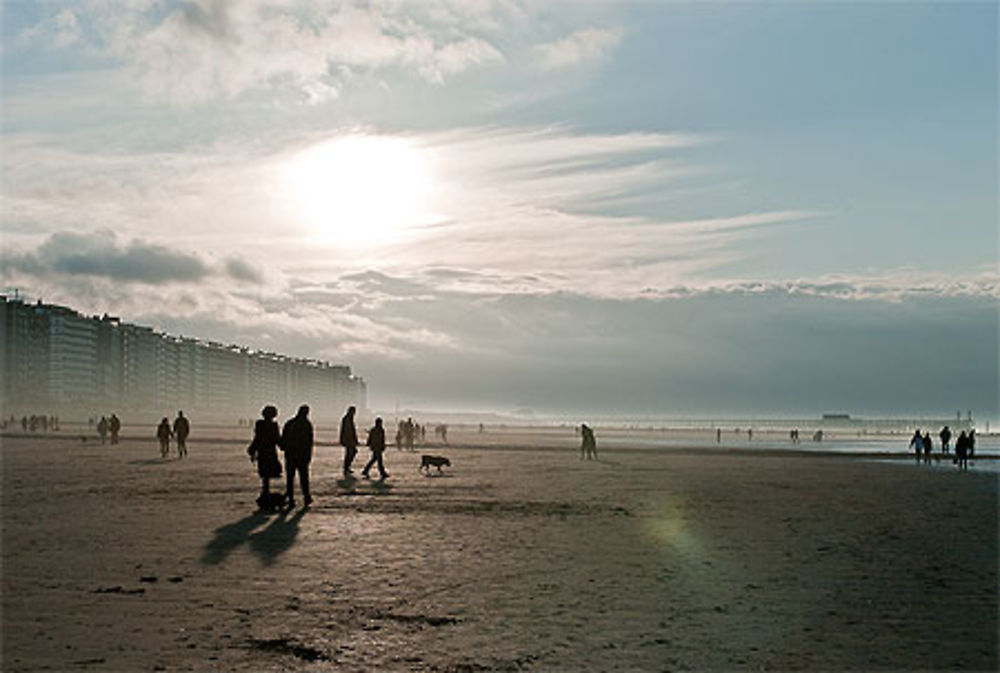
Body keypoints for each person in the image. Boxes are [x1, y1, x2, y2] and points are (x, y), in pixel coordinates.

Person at [248, 405, 283, 510]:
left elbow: (257, 439)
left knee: (265, 476)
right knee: (267, 475)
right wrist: (284, 446)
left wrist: (252, 450)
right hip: (269, 453)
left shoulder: (260, 425)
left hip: (263, 453)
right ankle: (265, 495)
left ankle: (265, 494)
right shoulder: (272, 426)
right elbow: (277, 439)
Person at [281, 405, 314, 507]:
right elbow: (309, 442)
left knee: (290, 478)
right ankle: (306, 497)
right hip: (302, 455)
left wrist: (285, 448)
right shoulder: (307, 424)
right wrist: (309, 456)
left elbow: (283, 439)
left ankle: (291, 498)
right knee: (304, 478)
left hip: (290, 455)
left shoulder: (290, 423)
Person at [339, 405, 358, 478]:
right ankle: (346, 467)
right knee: (350, 453)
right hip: (348, 440)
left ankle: (347, 467)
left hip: (349, 440)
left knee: (351, 453)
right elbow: (347, 431)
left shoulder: (349, 418)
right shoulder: (347, 419)